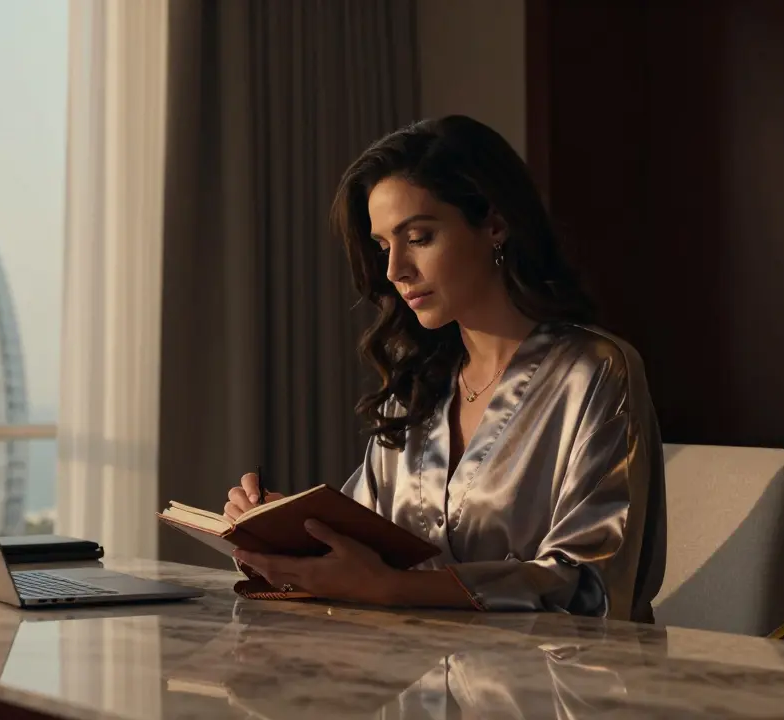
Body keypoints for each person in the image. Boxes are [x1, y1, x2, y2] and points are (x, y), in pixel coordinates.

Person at [223, 115, 666, 622]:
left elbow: (594, 584)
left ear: (495, 224)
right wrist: (286, 530)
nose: (394, 271)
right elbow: (367, 547)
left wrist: (394, 589)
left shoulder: (594, 373)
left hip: (553, 687)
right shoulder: (417, 388)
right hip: (416, 680)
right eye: (384, 245)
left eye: (419, 237)